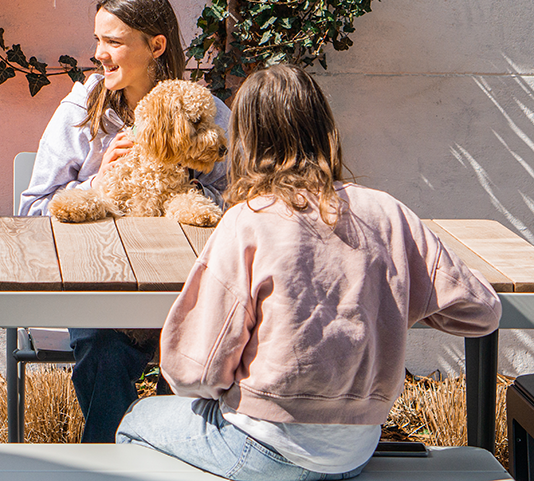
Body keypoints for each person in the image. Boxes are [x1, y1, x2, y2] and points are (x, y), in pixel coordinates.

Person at [115, 64, 502, 479]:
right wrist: (389, 301)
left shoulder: (248, 220)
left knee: (136, 421)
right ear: (324, 128)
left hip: (262, 444)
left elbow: (194, 372)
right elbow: (481, 312)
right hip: (355, 450)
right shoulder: (388, 211)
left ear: (247, 138)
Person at [18, 0, 231, 443]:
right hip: (102, 285)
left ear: (156, 46)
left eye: (113, 42)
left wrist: (185, 185)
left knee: (200, 349)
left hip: (184, 290)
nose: (99, 54)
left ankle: (173, 450)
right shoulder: (81, 110)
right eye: (98, 40)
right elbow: (32, 209)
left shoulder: (206, 113)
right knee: (101, 346)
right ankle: (109, 459)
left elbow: (239, 204)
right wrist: (99, 181)